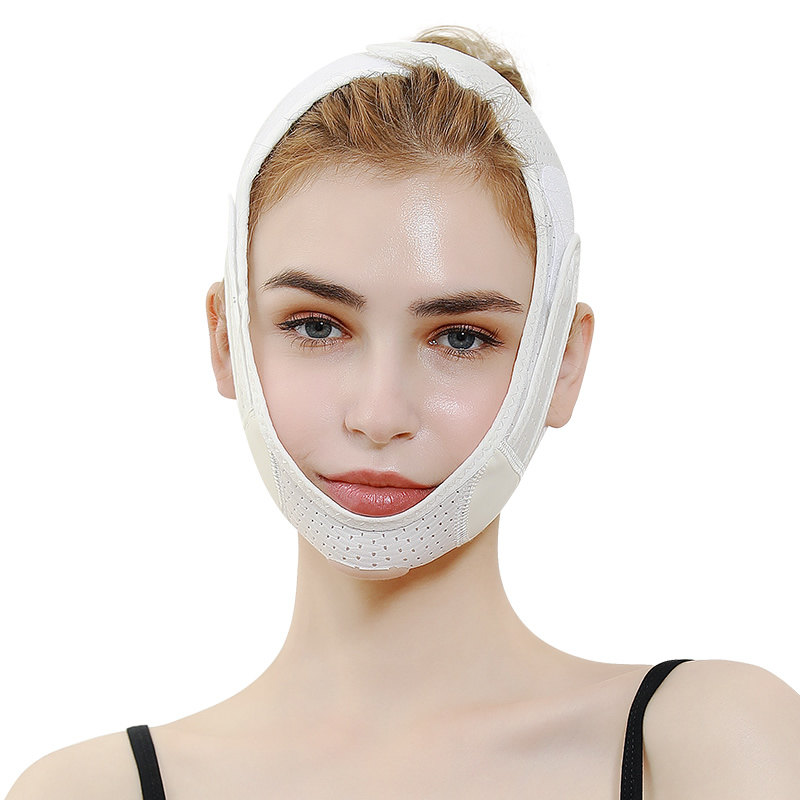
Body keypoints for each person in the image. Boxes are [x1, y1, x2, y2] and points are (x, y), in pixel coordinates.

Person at [6, 24, 800, 800]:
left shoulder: (704, 743)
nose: (380, 414)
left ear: (562, 363)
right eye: (316, 326)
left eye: (461, 336)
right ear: (227, 341)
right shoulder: (88, 791)